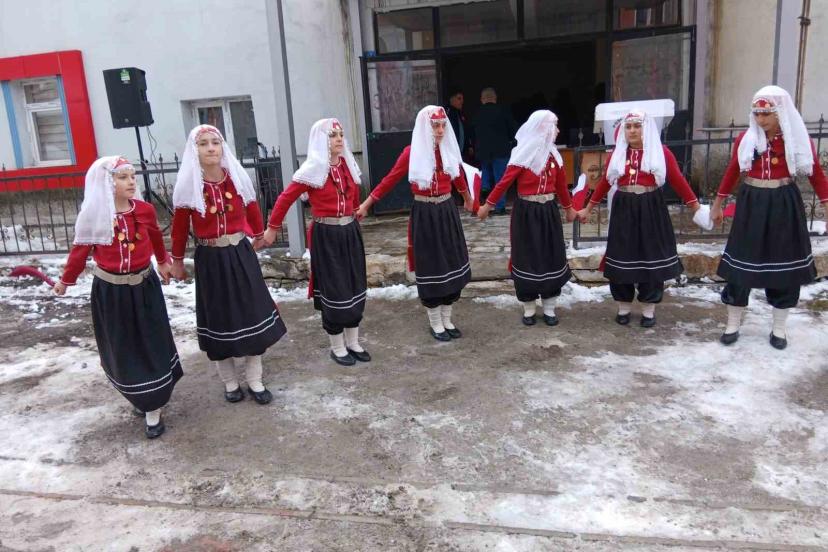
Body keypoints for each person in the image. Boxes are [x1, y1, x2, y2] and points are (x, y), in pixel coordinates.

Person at [54, 156, 182, 439]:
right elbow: (80, 251)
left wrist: (163, 261)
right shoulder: (94, 215)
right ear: (106, 182)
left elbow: (155, 238)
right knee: (123, 346)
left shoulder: (145, 210)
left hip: (144, 288)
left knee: (150, 342)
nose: (131, 182)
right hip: (111, 293)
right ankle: (139, 393)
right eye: (123, 177)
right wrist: (66, 280)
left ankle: (153, 406)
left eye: (132, 176)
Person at [171, 125, 286, 404]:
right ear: (194, 150)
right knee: (219, 319)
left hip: (240, 255)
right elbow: (179, 228)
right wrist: (176, 260)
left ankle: (255, 380)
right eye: (203, 144)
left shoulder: (235, 178)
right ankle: (230, 383)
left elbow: (252, 206)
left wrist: (258, 234)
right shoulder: (189, 186)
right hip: (211, 260)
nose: (211, 148)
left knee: (252, 314)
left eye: (215, 142)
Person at [711, 85, 828, 349]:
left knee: (784, 266)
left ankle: (779, 328)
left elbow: (817, 175)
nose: (761, 119)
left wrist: (826, 206)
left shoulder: (797, 140)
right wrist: (718, 204)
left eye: (766, 113)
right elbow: (732, 171)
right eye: (757, 113)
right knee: (741, 264)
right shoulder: (746, 140)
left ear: (780, 112)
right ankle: (732, 323)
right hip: (751, 203)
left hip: (784, 203)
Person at [357, 106, 474, 341]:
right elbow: (390, 179)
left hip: (447, 211)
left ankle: (447, 318)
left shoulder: (448, 150)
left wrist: (468, 198)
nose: (440, 130)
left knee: (452, 261)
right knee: (432, 265)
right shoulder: (412, 152)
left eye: (443, 125)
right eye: (435, 126)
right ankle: (435, 322)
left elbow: (458, 176)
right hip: (425, 214)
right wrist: (366, 204)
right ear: (425, 128)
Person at [259, 118, 369, 366]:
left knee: (354, 284)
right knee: (335, 288)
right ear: (321, 140)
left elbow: (352, 197)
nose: (339, 139)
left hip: (350, 232)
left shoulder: (347, 164)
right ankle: (337, 346)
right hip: (326, 236)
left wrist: (354, 210)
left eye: (340, 134)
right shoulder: (312, 170)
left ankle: (353, 342)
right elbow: (285, 198)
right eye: (332, 135)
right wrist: (273, 228)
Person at [577, 109, 700, 327]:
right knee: (621, 255)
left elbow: (678, 180)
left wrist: (696, 206)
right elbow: (605, 182)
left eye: (637, 126)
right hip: (624, 207)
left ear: (646, 128)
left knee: (651, 256)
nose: (632, 131)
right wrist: (588, 208)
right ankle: (623, 307)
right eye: (628, 127)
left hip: (651, 207)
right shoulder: (618, 154)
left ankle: (648, 310)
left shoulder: (661, 152)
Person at [478, 110, 576, 325]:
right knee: (527, 256)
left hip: (548, 212)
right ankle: (529, 308)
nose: (557, 130)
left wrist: (569, 208)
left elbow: (561, 185)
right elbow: (504, 182)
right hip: (526, 213)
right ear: (542, 128)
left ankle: (549, 308)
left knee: (551, 255)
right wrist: (488, 205)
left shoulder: (554, 156)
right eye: (554, 126)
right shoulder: (522, 154)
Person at [472, 87, 517, 215]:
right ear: (495, 98)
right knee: (500, 179)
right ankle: (499, 207)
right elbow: (513, 130)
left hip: (483, 150)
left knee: (485, 173)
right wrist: (512, 142)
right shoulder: (503, 111)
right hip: (501, 150)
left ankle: (485, 189)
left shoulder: (477, 113)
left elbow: (472, 131)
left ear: (482, 99)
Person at [445, 89, 473, 161]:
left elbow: (467, 130)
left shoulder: (461, 113)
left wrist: (470, 145)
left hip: (463, 153)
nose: (462, 101)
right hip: (451, 153)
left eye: (462, 99)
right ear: (451, 99)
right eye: (459, 98)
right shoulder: (446, 113)